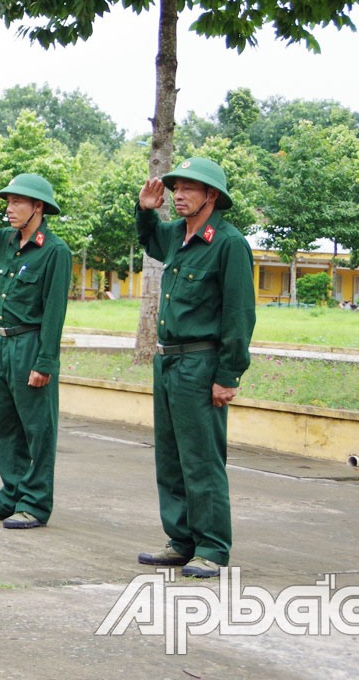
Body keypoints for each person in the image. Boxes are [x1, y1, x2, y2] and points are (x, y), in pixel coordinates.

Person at [135, 157, 255, 579]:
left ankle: (212, 548)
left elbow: (239, 314)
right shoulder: (176, 236)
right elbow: (151, 241)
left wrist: (228, 374)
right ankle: (181, 540)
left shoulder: (228, 243)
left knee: (202, 459)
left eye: (189, 188)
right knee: (170, 457)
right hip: (168, 361)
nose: (179, 195)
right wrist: (146, 211)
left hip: (201, 363)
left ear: (213, 196)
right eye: (176, 188)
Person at [0, 173, 72, 527]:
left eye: (18, 203)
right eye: (8, 202)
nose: (10, 209)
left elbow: (55, 311)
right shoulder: (5, 242)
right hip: (4, 342)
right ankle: (10, 495)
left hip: (31, 343)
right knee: (5, 425)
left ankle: (36, 502)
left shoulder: (55, 251)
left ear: (38, 207)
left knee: (37, 429)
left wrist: (45, 362)